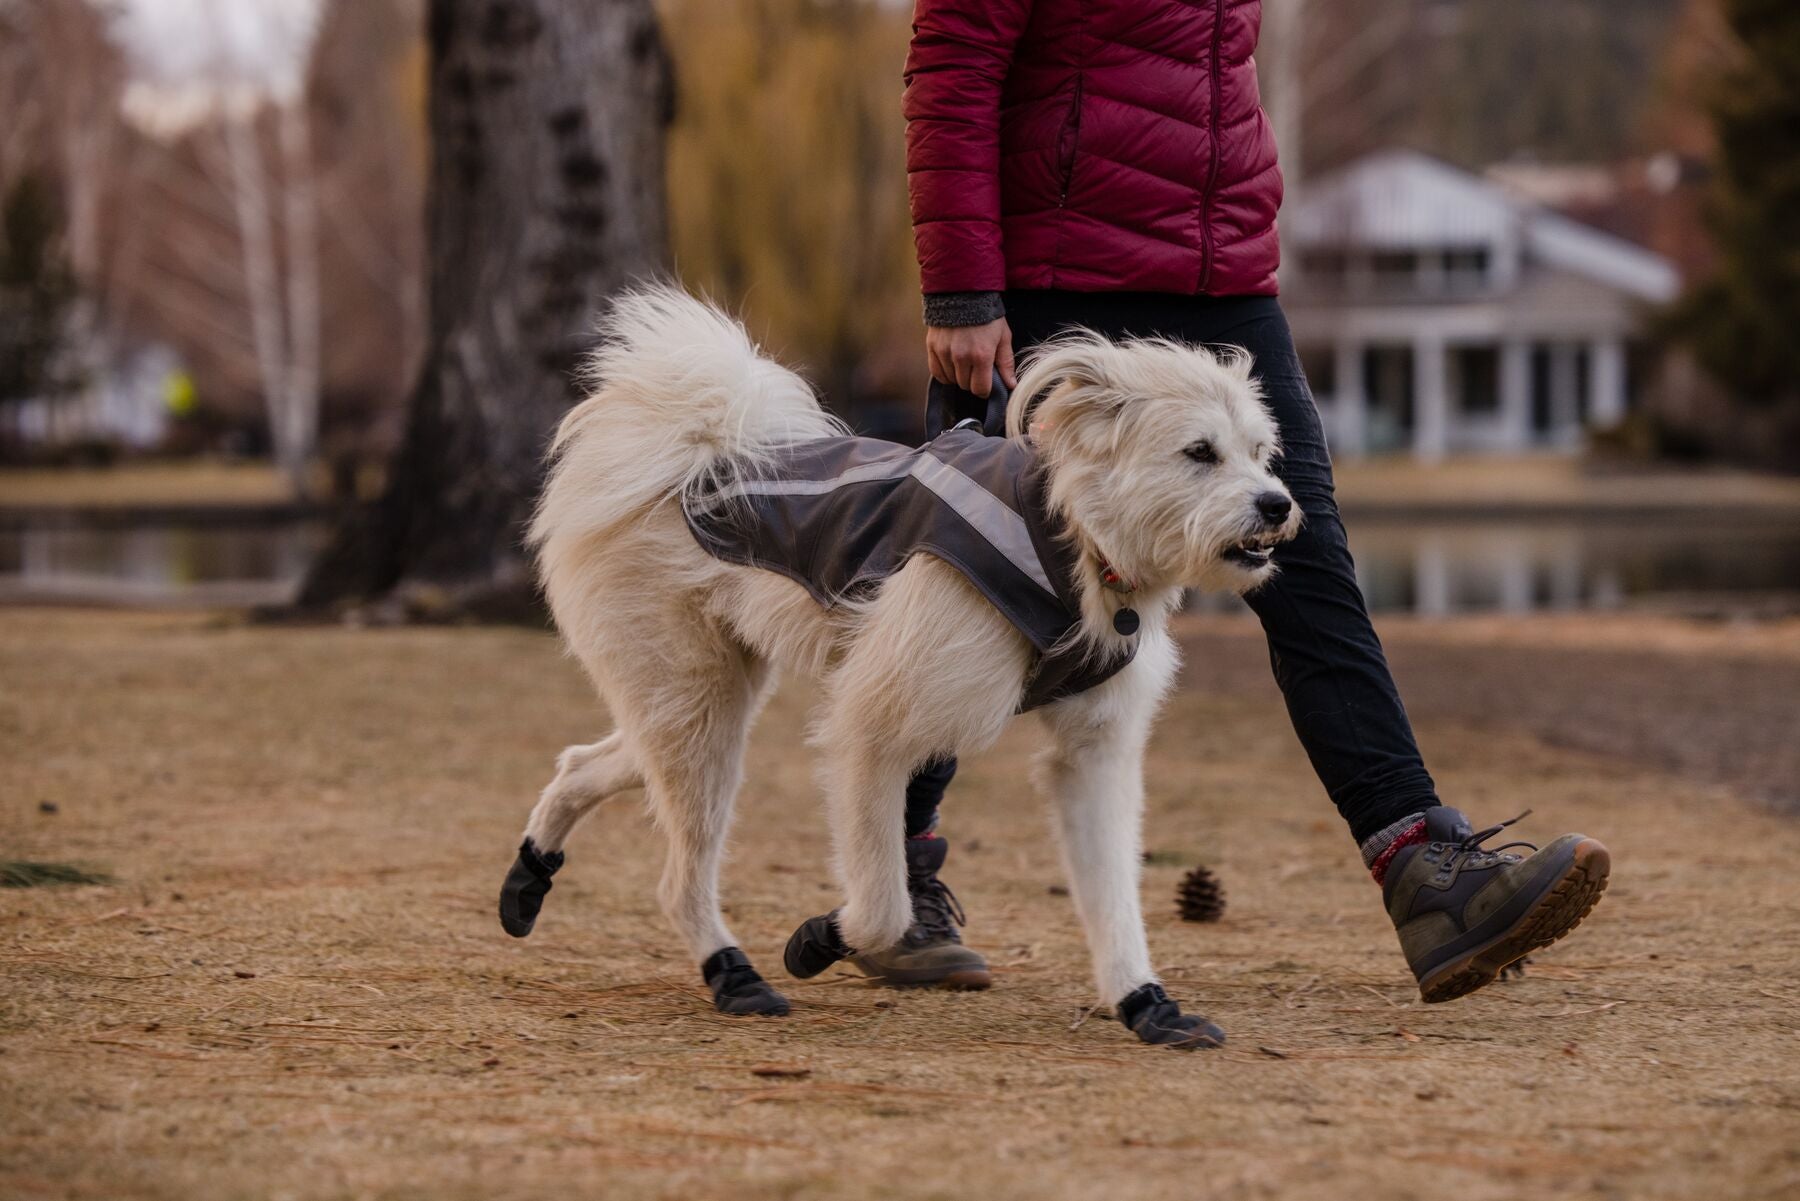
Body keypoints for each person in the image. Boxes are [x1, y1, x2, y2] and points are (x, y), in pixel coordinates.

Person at [846, 0, 1612, 1003]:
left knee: (1311, 565)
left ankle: (1428, 873)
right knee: (973, 583)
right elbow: (954, 59)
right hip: (1055, 274)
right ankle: (899, 870)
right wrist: (961, 291)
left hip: (1222, 279)